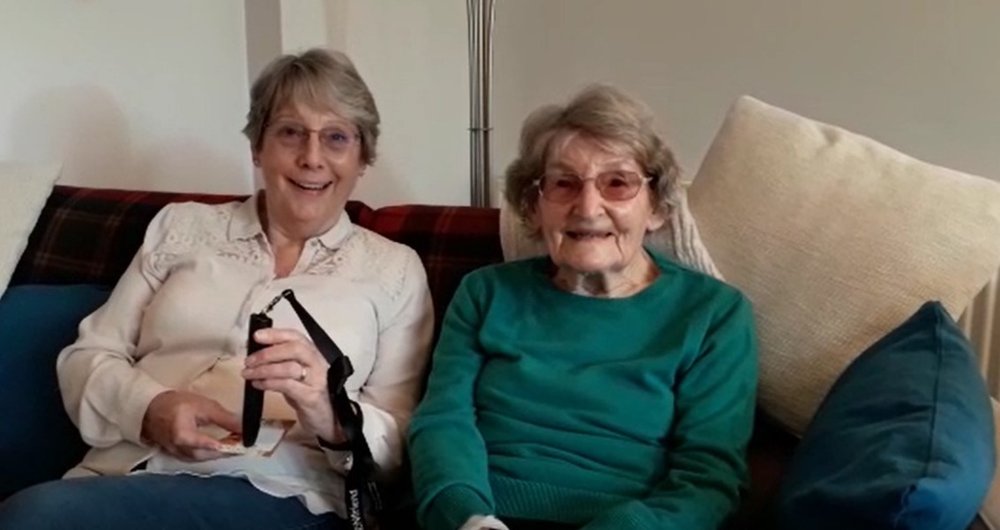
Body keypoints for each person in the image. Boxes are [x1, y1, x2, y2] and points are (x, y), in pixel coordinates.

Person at [0, 48, 433, 530]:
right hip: (129, 474)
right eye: (290, 132)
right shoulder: (180, 227)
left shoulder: (394, 270)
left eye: (336, 138)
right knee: (35, 515)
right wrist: (150, 407)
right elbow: (87, 357)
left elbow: (402, 442)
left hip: (288, 493)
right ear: (257, 147)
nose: (312, 158)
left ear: (362, 158)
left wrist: (328, 410)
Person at [408, 85, 758, 530]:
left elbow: (709, 479)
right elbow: (442, 421)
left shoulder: (714, 315)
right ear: (533, 208)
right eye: (563, 184)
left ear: (656, 207)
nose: (588, 207)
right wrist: (468, 516)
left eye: (617, 183)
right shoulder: (484, 293)